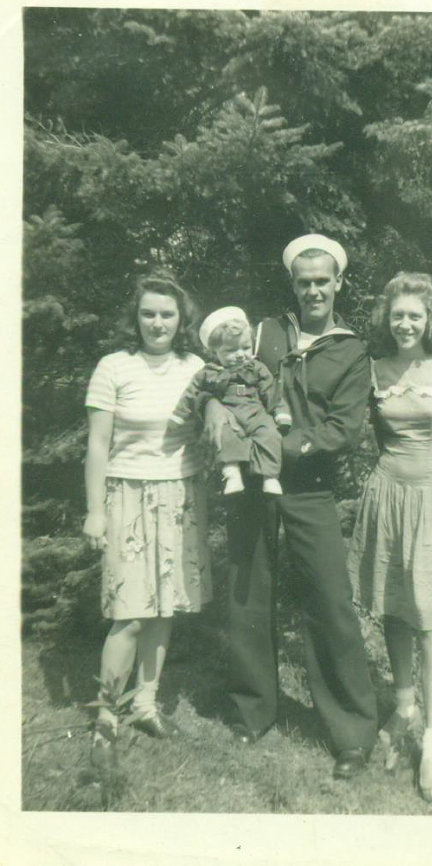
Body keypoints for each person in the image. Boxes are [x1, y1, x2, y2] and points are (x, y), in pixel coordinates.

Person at [204, 234, 378, 780]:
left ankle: (351, 731)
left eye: (322, 281)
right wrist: (211, 406)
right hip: (254, 482)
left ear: (338, 283)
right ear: (293, 285)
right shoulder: (264, 333)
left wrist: (285, 446)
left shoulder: (351, 350)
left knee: (329, 599)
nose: (313, 291)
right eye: (304, 282)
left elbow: (344, 429)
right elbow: (223, 373)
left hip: (308, 485)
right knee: (248, 589)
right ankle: (252, 711)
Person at [347, 272, 432, 801]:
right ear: (388, 319)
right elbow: (376, 436)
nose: (405, 324)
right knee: (395, 608)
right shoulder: (377, 370)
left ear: (431, 320)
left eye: (415, 316)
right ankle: (404, 707)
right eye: (397, 315)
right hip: (388, 496)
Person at [82, 267, 212, 768]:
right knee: (128, 614)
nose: (157, 323)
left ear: (182, 320)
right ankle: (106, 717)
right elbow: (97, 443)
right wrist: (95, 511)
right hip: (127, 495)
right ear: (135, 319)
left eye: (167, 314)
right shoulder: (113, 366)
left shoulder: (196, 367)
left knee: (163, 608)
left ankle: (145, 704)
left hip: (180, 494)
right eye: (148, 314)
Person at [171, 306, 291, 496]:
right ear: (214, 352)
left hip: (255, 413)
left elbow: (271, 391)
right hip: (229, 416)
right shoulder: (209, 372)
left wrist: (281, 412)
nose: (241, 354)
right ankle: (232, 473)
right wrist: (179, 415)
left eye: (245, 347)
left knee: (269, 433)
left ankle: (270, 477)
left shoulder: (256, 368)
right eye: (231, 350)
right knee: (223, 434)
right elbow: (191, 392)